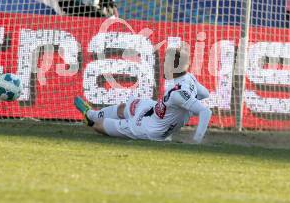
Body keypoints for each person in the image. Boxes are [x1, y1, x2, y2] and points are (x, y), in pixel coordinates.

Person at [74, 46, 212, 144]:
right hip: (152, 110)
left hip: (146, 128)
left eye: (166, 63)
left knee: (100, 126)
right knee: (124, 108)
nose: (163, 65)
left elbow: (205, 111)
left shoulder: (178, 94)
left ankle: (90, 119)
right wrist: (187, 106)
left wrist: (196, 140)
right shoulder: (190, 78)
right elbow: (205, 93)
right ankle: (90, 113)